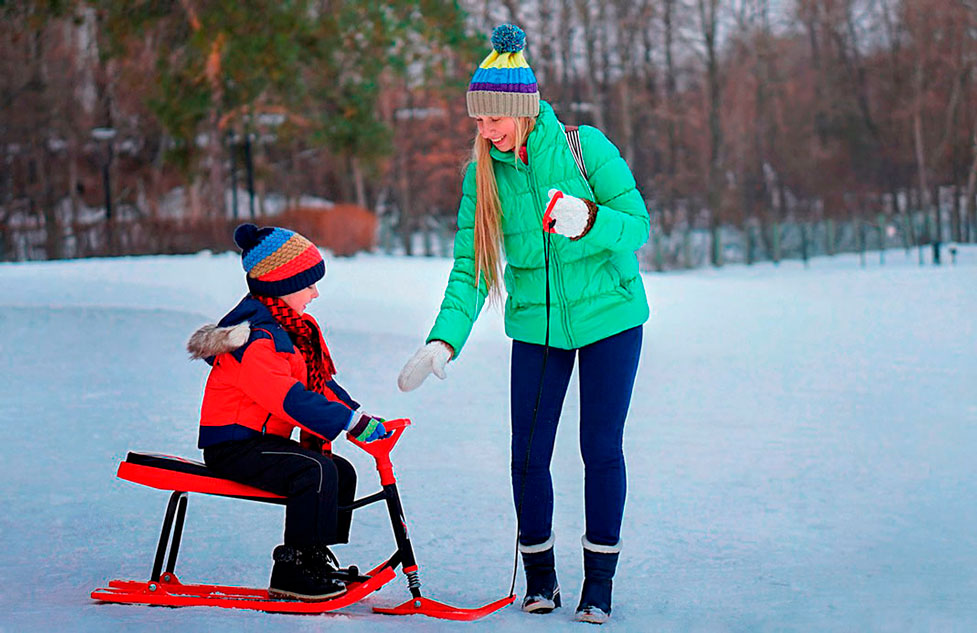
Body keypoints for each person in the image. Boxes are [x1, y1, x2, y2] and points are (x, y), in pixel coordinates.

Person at [397, 24, 650, 625]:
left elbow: (637, 225)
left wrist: (588, 219)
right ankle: (541, 579)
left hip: (611, 319)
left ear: (522, 109)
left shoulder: (587, 148)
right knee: (527, 456)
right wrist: (443, 338)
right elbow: (472, 268)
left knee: (599, 449)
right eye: (478, 122)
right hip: (536, 329)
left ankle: (599, 585)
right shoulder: (482, 176)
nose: (485, 132)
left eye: (494, 120)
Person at [187, 223, 389, 602]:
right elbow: (287, 398)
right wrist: (346, 422)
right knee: (312, 470)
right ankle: (292, 569)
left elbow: (317, 384)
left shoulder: (290, 331)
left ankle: (313, 557)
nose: (315, 292)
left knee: (340, 472)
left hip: (264, 443)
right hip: (234, 446)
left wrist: (362, 420)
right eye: (308, 283)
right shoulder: (256, 339)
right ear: (281, 284)